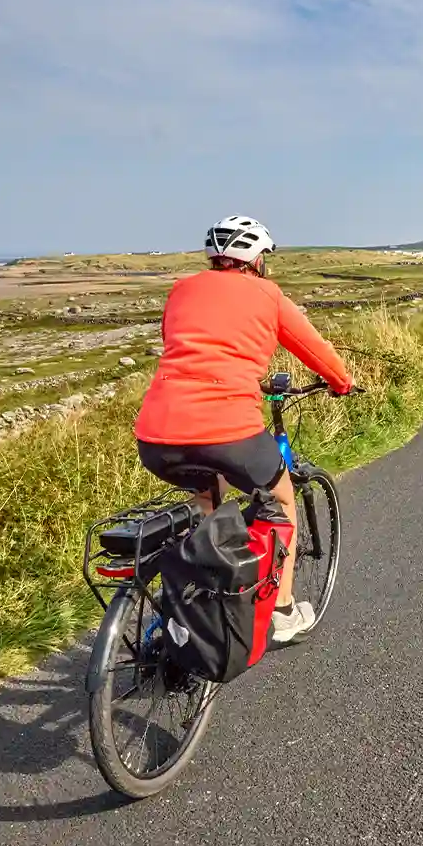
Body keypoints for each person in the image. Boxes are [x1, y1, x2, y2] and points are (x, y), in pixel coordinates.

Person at [135, 215, 353, 644]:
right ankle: (285, 612)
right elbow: (316, 351)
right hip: (229, 430)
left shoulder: (182, 289)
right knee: (280, 498)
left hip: (156, 435)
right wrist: (341, 383)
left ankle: (197, 598)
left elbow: (185, 347)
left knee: (205, 497)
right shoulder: (267, 294)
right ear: (256, 258)